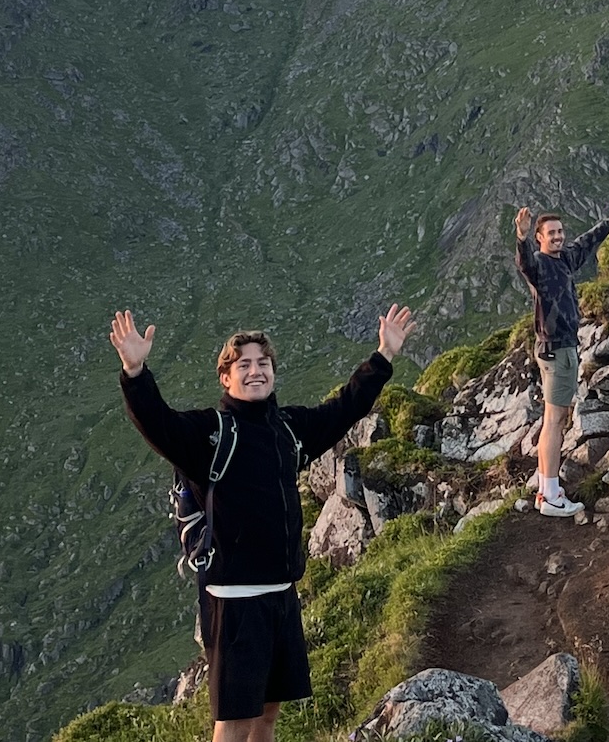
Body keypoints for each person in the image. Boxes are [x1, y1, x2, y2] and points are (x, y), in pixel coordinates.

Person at [109, 305, 416, 742]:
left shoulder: (287, 429)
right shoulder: (210, 434)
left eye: (263, 363)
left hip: (280, 596)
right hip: (234, 601)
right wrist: (136, 372)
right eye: (244, 365)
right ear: (226, 378)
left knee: (267, 718)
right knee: (233, 724)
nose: (256, 371)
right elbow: (158, 424)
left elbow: (344, 409)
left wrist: (383, 356)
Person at [514, 195, 609, 517]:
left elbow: (587, 241)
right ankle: (551, 495)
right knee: (555, 421)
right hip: (557, 349)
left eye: (559, 231)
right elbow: (523, 263)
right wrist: (521, 238)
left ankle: (544, 490)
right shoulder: (538, 263)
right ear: (540, 238)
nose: (558, 237)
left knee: (551, 419)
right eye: (550, 233)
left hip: (559, 347)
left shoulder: (564, 259)